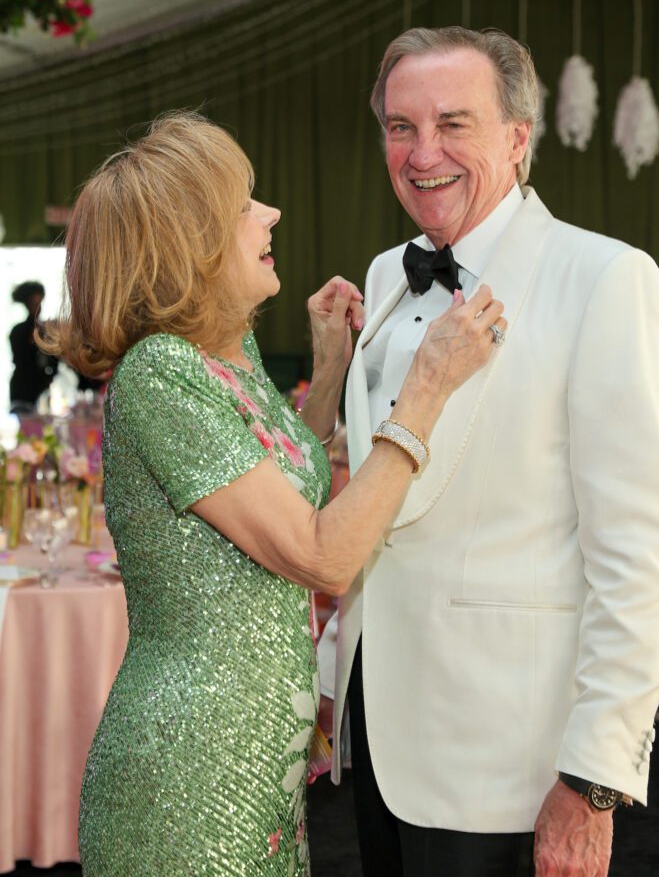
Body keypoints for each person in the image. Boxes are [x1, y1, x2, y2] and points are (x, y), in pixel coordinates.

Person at [40, 111, 505, 876]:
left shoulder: (223, 358)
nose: (271, 214)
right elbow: (321, 555)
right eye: (243, 205)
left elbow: (279, 487)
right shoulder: (162, 373)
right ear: (190, 244)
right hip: (190, 776)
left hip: (257, 773)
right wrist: (423, 389)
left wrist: (328, 370)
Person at [322, 27, 659, 877]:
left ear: (518, 139)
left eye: (453, 124)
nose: (421, 153)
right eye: (400, 128)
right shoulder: (383, 276)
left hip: (508, 760)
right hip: (377, 742)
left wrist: (594, 780)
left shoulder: (602, 278)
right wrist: (333, 684)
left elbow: (632, 559)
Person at [8, 280, 58, 414]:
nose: (38, 307)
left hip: (41, 392)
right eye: (34, 303)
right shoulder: (18, 331)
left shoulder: (45, 330)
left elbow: (54, 359)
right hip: (23, 392)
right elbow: (21, 360)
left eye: (40, 303)